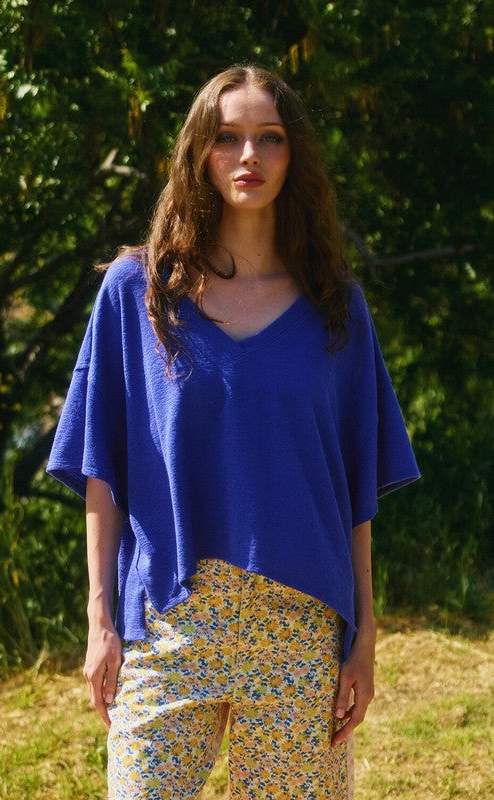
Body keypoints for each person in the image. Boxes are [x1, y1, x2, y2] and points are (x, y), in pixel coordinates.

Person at [47, 64, 420, 799]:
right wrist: (99, 619)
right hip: (169, 622)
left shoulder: (335, 306)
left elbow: (353, 493)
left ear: (293, 154)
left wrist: (364, 634)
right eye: (227, 137)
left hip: (298, 627)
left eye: (269, 137)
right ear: (199, 152)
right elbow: (101, 469)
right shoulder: (137, 294)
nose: (248, 156)